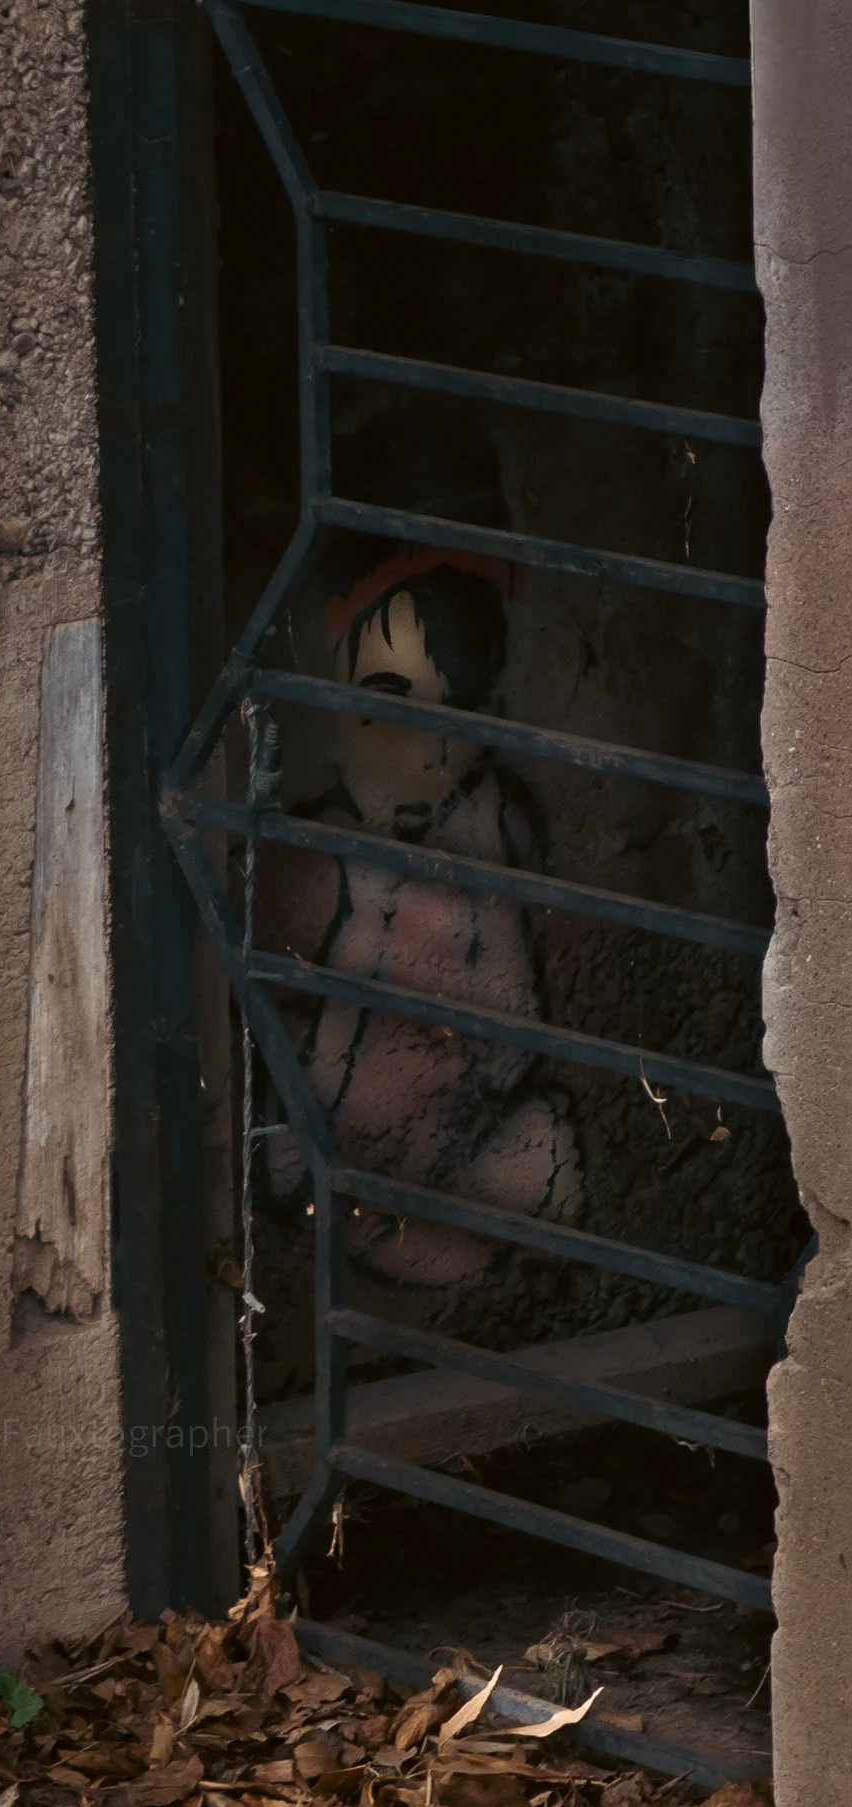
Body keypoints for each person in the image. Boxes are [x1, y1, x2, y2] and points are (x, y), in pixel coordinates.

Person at [257, 405, 581, 1310]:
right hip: (359, 1169)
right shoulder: (315, 859)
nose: (420, 762)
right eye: (381, 708)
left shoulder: (495, 830)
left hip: (463, 1149)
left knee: (547, 1147)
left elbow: (516, 1028)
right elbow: (281, 1021)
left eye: (452, 729)